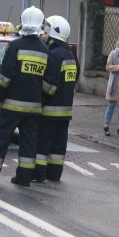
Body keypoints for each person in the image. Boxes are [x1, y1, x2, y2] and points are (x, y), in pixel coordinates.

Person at [0, 6, 48, 187]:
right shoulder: (45, 50)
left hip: (12, 105)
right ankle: (24, 178)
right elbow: (45, 81)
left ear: (23, 23)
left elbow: (6, 76)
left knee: (0, 139)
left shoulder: (15, 46)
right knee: (29, 142)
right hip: (33, 107)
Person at [34, 15, 78, 182]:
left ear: (53, 33)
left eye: (46, 30)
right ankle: (54, 174)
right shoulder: (70, 55)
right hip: (66, 111)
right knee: (59, 145)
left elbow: (49, 85)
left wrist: (40, 97)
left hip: (50, 110)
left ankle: (39, 173)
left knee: (43, 143)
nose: (44, 34)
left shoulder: (53, 55)